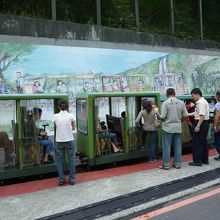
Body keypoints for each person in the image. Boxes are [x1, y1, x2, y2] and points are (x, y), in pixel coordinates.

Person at [160, 88, 188, 170]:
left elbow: (162, 117)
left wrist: (164, 120)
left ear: (166, 94)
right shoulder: (181, 102)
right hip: (178, 127)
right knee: (178, 146)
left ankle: (166, 164)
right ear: (174, 93)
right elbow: (185, 115)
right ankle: (177, 164)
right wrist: (179, 120)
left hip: (167, 128)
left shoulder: (165, 103)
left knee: (167, 146)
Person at [53, 100, 76, 186]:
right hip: (69, 140)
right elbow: (74, 128)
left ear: (58, 107)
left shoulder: (55, 116)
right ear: (67, 106)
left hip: (59, 141)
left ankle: (62, 180)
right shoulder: (71, 116)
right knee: (72, 160)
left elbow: (56, 126)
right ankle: (72, 179)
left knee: (59, 161)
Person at [188, 88, 210, 166]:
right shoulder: (203, 101)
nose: (193, 97)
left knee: (197, 143)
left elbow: (202, 115)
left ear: (197, 94)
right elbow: (197, 113)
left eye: (193, 96)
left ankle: (197, 161)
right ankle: (205, 160)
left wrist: (198, 126)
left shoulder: (200, 103)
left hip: (201, 123)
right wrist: (187, 114)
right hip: (204, 123)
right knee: (203, 142)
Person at [213, 91, 220, 161]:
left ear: (218, 96)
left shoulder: (218, 104)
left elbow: (217, 116)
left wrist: (215, 126)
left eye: (216, 96)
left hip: (219, 125)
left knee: (217, 140)